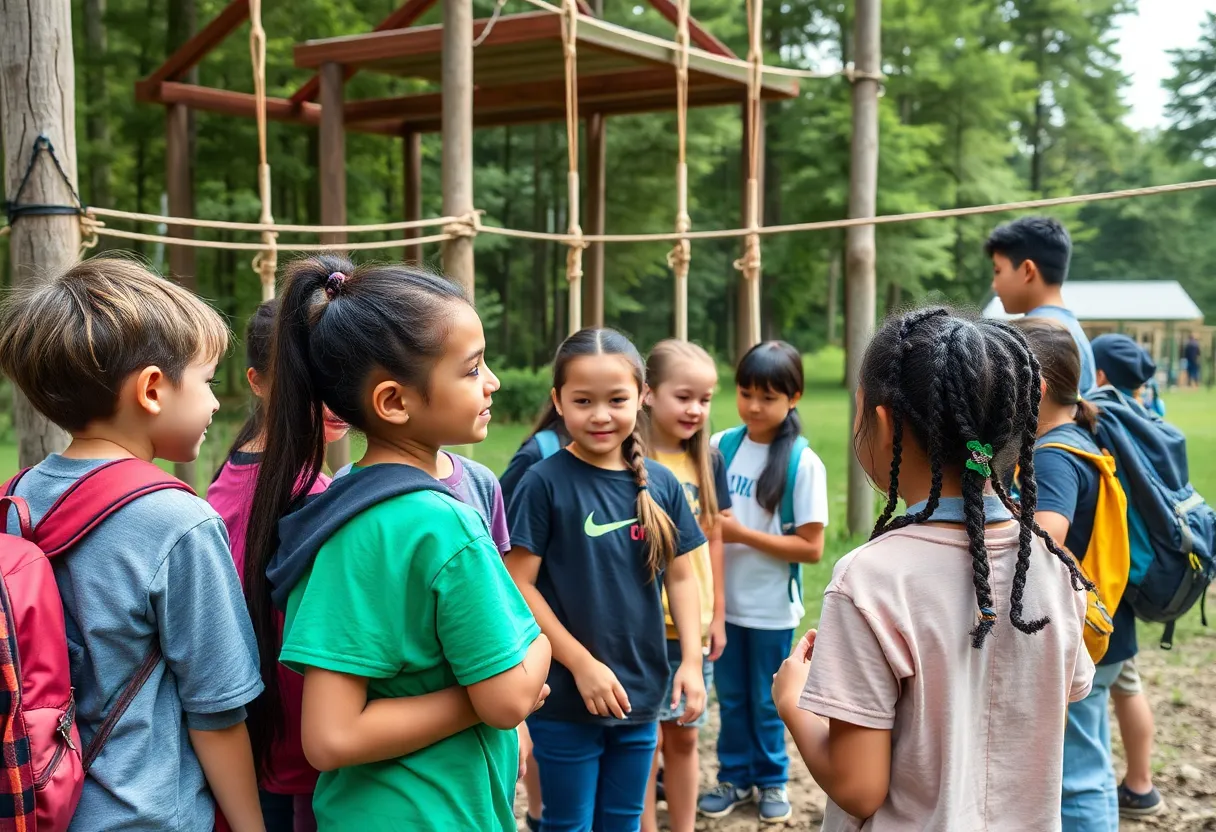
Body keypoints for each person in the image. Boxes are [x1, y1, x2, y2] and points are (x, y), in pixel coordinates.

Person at [242, 256, 551, 831]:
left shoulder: (339, 508)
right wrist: (540, 653)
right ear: (393, 401)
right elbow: (508, 699)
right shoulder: (443, 526)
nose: (493, 383)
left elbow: (331, 738)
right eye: (471, 368)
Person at [773, 308, 1094, 831]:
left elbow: (859, 788)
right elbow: (1056, 700)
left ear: (881, 424)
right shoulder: (1054, 566)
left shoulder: (870, 580)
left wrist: (792, 702)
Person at [0, 256, 265, 831]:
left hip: (38, 806)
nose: (216, 402)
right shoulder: (179, 523)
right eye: (207, 381)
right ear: (151, 389)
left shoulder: (15, 501)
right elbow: (217, 711)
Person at [505, 327, 708, 832]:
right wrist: (581, 664)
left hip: (641, 690)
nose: (600, 415)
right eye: (583, 400)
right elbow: (519, 586)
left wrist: (690, 660)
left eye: (616, 399)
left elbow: (681, 577)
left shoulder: (660, 483)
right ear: (558, 402)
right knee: (567, 823)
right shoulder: (542, 482)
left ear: (641, 396)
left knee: (623, 822)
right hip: (565, 698)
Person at [207, 300, 349, 832]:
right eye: (304, 379)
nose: (328, 394)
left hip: (249, 744)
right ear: (257, 383)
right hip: (304, 749)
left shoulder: (234, 471)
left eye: (339, 372)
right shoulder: (314, 495)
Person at [699, 341, 828, 824]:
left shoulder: (802, 462)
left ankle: (773, 780)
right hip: (722, 603)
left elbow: (811, 548)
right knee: (730, 698)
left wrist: (740, 534)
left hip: (772, 605)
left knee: (767, 698)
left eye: (768, 397)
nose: (754, 405)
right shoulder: (720, 446)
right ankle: (733, 775)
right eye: (746, 392)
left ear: (793, 398)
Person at [639, 340, 731, 832]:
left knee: (686, 736)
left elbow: (714, 541)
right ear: (648, 394)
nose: (696, 409)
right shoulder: (630, 460)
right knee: (644, 742)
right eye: (684, 396)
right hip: (641, 628)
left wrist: (717, 616)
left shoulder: (707, 462)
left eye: (706, 398)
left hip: (690, 628)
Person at [1089, 332, 1167, 819]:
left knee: (1097, 693)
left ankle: (1100, 797)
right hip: (1139, 574)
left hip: (1108, 575)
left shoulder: (1102, 421)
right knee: (1128, 682)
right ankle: (1141, 784)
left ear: (1098, 376)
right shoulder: (1149, 419)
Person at [499, 403, 573, 831]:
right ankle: (539, 814)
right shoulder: (536, 459)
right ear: (560, 400)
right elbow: (501, 543)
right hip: (540, 626)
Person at [987, 215, 1096, 394]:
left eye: (998, 271)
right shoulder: (1069, 329)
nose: (994, 284)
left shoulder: (1040, 337)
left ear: (1028, 271)